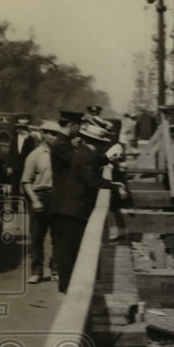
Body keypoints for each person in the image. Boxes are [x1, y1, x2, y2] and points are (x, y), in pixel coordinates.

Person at [50, 121, 116, 293]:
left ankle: (67, 285)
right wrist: (113, 186)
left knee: (69, 250)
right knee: (69, 251)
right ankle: (66, 287)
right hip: (73, 209)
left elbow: (93, 168)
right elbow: (91, 180)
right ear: (97, 143)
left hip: (70, 207)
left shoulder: (84, 152)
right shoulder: (86, 155)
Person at [20, 120, 63, 283]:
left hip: (57, 197)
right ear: (43, 134)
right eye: (50, 133)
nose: (53, 137)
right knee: (37, 237)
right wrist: (35, 200)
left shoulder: (61, 155)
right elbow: (26, 181)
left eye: (56, 134)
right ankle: (37, 270)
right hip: (39, 196)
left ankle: (56, 269)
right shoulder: (35, 155)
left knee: (58, 236)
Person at [5, 114, 37, 213]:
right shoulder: (14, 139)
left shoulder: (30, 139)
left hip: (26, 166)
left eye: (23, 128)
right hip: (15, 166)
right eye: (19, 127)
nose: (21, 129)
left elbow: (32, 153)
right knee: (14, 188)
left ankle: (28, 207)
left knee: (26, 186)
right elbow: (11, 153)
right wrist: (9, 166)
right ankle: (14, 207)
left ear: (26, 128)